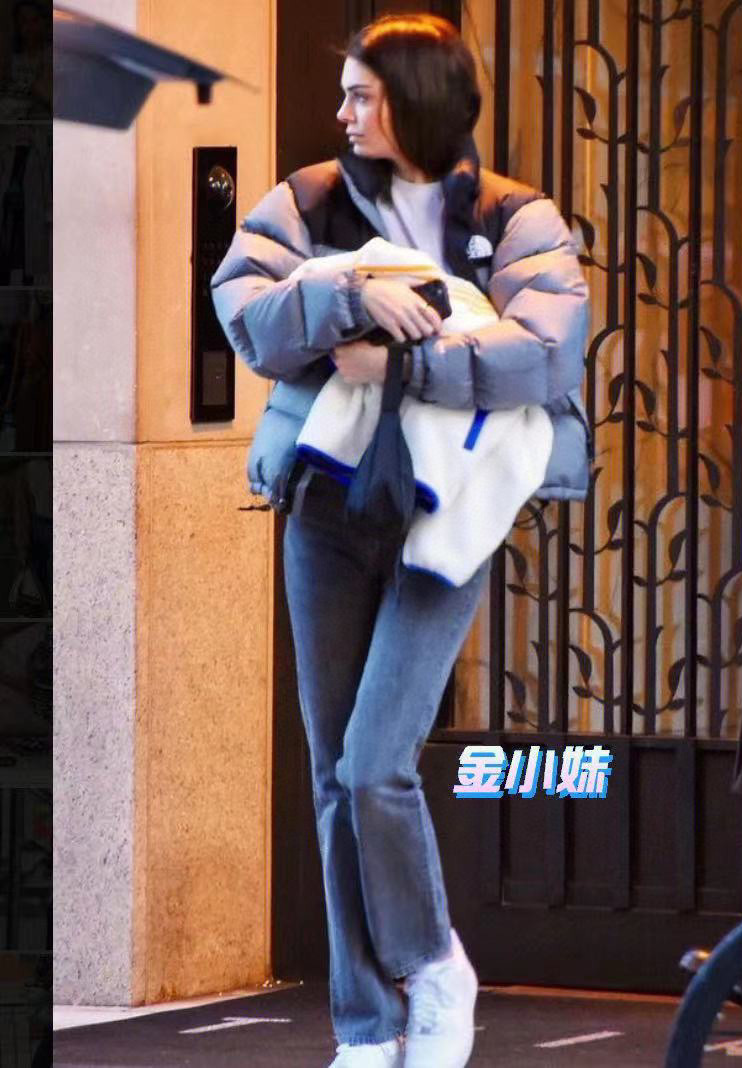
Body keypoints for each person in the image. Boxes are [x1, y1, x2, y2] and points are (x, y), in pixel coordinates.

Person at [212, 14, 590, 1068]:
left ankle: (432, 966)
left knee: (376, 762)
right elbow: (243, 313)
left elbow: (547, 357)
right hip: (326, 507)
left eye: (361, 95)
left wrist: (406, 364)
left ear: (416, 97)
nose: (341, 113)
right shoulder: (307, 201)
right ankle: (366, 1027)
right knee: (332, 773)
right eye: (343, 93)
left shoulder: (514, 216)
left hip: (447, 511)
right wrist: (346, 291)